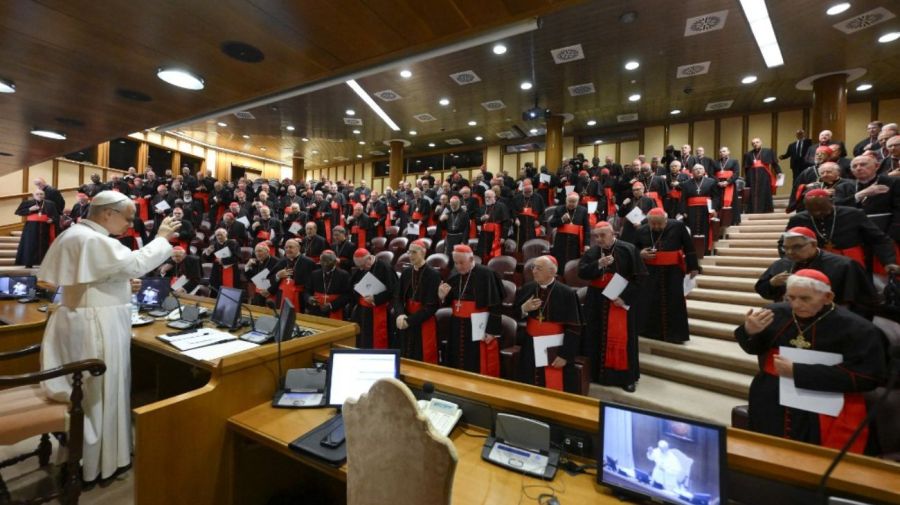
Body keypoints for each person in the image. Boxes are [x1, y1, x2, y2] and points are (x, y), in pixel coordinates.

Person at [38, 191, 180, 482]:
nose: (130, 225)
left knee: (96, 394)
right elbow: (135, 263)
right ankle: (97, 464)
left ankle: (93, 458)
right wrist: (163, 238)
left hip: (82, 317)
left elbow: (98, 277)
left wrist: (124, 284)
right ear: (108, 214)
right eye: (128, 218)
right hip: (96, 325)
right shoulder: (93, 239)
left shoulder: (75, 233)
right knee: (99, 393)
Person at [735, 270, 886, 454]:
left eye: (805, 298)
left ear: (828, 297)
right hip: (771, 400)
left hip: (822, 407)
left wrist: (799, 372)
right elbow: (753, 348)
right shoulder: (774, 313)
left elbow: (868, 377)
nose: (796, 305)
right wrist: (750, 331)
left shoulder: (857, 328)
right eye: (790, 298)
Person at [578, 222, 645, 391]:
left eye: (603, 235)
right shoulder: (593, 252)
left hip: (620, 302)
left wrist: (624, 298)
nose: (599, 239)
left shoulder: (628, 249)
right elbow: (582, 272)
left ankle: (626, 378)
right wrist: (598, 264)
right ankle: (596, 374)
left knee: (624, 339)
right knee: (595, 336)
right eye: (596, 236)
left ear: (613, 233)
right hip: (596, 301)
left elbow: (640, 278)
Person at [756, 227, 877, 318]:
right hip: (790, 318)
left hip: (828, 320)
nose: (789, 252)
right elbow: (763, 290)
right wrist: (772, 283)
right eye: (785, 248)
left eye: (796, 247)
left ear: (813, 244)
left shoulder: (844, 265)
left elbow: (864, 302)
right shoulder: (782, 264)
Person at [513, 255, 581, 392]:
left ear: (552, 272)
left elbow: (574, 327)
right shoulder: (528, 288)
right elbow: (515, 313)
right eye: (533, 267)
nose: (534, 271)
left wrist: (565, 355)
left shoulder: (567, 293)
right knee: (528, 381)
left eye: (539, 268)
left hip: (555, 347)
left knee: (551, 384)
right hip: (530, 344)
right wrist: (523, 309)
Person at [786, 190, 897, 273]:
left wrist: (888, 261)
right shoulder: (798, 219)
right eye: (813, 211)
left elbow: (879, 239)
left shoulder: (853, 214)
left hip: (852, 261)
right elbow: (784, 243)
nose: (818, 214)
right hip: (815, 262)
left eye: (822, 210)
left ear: (831, 202)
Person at [634, 208, 699, 343]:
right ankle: (650, 332)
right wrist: (640, 254)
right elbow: (632, 249)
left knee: (674, 302)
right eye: (653, 224)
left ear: (666, 220)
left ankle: (675, 335)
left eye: (659, 224)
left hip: (673, 272)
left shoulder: (678, 226)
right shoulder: (641, 230)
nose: (656, 227)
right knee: (650, 301)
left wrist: (693, 267)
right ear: (648, 221)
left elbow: (689, 246)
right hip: (650, 273)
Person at [438, 244, 504, 376]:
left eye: (462, 263)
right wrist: (441, 296)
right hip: (456, 325)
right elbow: (448, 299)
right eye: (456, 263)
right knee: (456, 359)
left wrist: (491, 331)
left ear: (472, 259)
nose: (458, 266)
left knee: (475, 362)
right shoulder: (454, 275)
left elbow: (496, 305)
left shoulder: (487, 274)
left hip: (477, 326)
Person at [393, 240, 441, 363]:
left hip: (423, 321)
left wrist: (409, 321)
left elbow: (432, 306)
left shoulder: (433, 274)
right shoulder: (407, 273)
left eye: (414, 252)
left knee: (422, 357)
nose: (410, 255)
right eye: (409, 252)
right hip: (406, 318)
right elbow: (397, 297)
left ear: (423, 253)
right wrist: (400, 314)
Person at [350, 248, 397, 349]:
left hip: (380, 310)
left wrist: (375, 298)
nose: (361, 269)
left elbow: (393, 290)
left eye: (362, 266)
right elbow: (353, 285)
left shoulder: (385, 267)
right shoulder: (362, 268)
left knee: (378, 341)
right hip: (363, 312)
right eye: (359, 267)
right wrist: (356, 287)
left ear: (369, 259)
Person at [679, 164, 719, 254]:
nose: (698, 171)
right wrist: (683, 211)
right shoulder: (686, 184)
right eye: (696, 169)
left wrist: (713, 208)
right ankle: (692, 251)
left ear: (704, 171)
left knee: (705, 229)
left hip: (706, 209)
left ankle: (705, 251)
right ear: (692, 172)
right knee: (692, 229)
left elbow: (716, 197)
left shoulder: (711, 181)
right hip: (690, 210)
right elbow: (683, 199)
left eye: (700, 169)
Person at [15, 189, 59, 268]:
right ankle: (29, 263)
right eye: (37, 194)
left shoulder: (50, 204)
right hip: (31, 228)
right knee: (30, 244)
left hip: (45, 227)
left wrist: (52, 220)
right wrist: (29, 209)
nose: (39, 195)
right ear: (33, 195)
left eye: (41, 194)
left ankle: (44, 262)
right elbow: (18, 212)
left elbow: (56, 216)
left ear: (44, 195)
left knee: (44, 244)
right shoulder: (27, 203)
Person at [304, 250, 352, 320]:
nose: (325, 264)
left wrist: (331, 305)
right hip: (316, 310)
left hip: (336, 310)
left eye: (328, 261)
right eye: (322, 261)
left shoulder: (344, 275)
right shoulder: (314, 274)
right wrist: (309, 298)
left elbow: (347, 295)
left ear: (335, 262)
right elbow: (307, 291)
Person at [273, 238, 316, 313]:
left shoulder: (309, 262)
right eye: (286, 247)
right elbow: (270, 278)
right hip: (282, 296)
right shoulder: (282, 261)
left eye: (290, 247)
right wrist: (278, 276)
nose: (288, 249)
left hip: (300, 297)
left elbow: (312, 284)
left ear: (298, 248)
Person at [549, 192, 590, 266]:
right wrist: (562, 220)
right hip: (561, 242)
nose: (571, 204)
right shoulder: (559, 209)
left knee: (573, 264)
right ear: (566, 200)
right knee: (560, 263)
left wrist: (586, 244)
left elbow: (587, 228)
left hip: (576, 243)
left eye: (574, 202)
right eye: (569, 201)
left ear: (578, 202)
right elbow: (552, 223)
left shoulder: (583, 210)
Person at [742, 137, 781, 213]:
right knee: (753, 193)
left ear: (761, 142)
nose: (755, 144)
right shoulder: (748, 154)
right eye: (753, 143)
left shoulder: (768, 151)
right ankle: (753, 210)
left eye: (757, 142)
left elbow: (774, 164)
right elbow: (746, 168)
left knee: (765, 192)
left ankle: (765, 210)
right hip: (752, 176)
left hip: (764, 176)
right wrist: (747, 179)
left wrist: (779, 172)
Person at [201, 228, 240, 295]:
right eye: (217, 235)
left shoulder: (233, 243)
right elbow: (208, 259)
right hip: (217, 272)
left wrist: (222, 260)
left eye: (221, 235)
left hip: (230, 270)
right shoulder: (214, 244)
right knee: (216, 291)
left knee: (229, 293)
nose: (219, 237)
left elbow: (237, 258)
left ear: (226, 234)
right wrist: (208, 252)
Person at [476, 190, 510, 263]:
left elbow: (506, 222)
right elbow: (477, 220)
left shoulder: (501, 206)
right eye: (486, 197)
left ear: (494, 197)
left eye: (489, 197)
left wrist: (503, 236)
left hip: (496, 235)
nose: (487, 199)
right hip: (484, 236)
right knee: (483, 254)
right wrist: (482, 219)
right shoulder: (482, 207)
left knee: (495, 255)